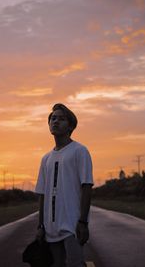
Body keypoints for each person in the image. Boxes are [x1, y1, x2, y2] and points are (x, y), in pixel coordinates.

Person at [35, 103, 94, 267]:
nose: (55, 121)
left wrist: (83, 222)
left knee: (76, 263)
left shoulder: (79, 151)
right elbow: (42, 194)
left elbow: (87, 187)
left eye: (61, 119)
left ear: (70, 125)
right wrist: (40, 225)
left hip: (72, 225)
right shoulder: (45, 158)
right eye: (53, 118)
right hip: (50, 228)